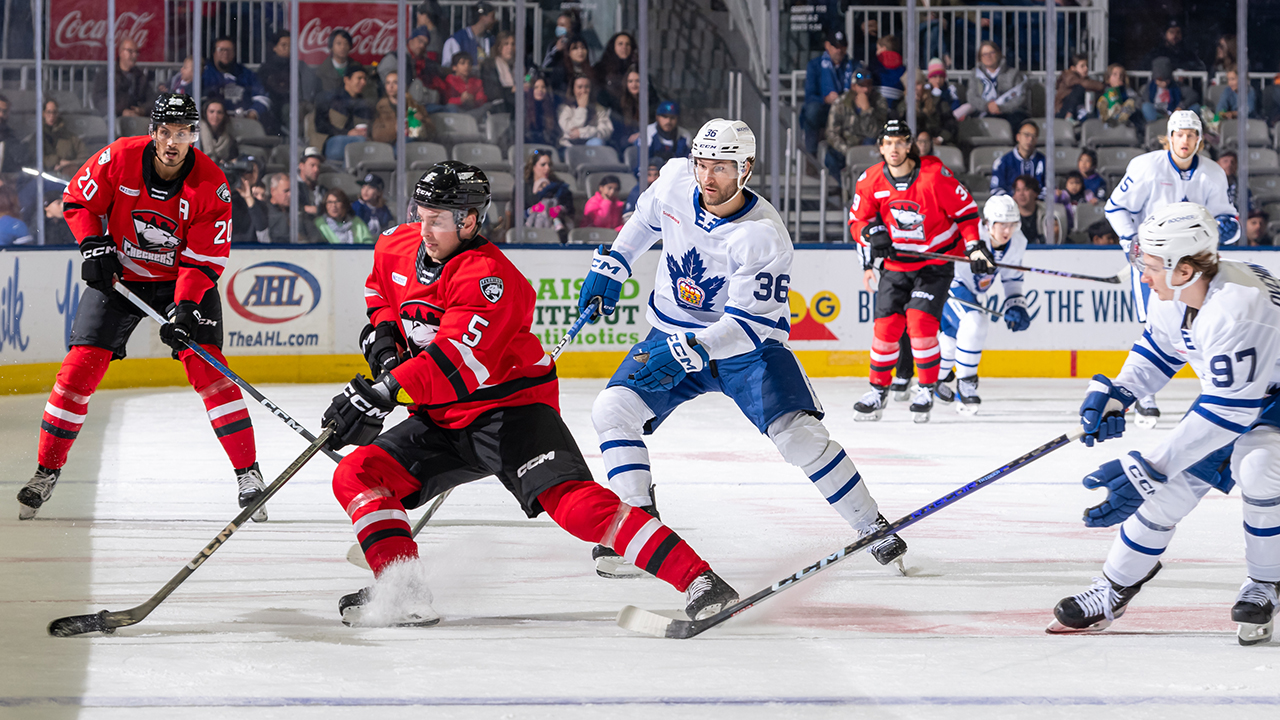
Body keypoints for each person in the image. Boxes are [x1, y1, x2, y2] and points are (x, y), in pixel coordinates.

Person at [324, 162, 738, 626]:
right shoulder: (396, 243)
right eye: (421, 213)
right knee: (358, 474)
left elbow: (454, 367)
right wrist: (384, 351)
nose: (425, 228)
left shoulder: (491, 280)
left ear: (469, 220)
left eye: (438, 219)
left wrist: (382, 392)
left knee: (579, 509)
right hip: (444, 417)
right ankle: (404, 592)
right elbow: (382, 294)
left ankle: (700, 579)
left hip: (511, 410)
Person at [576, 119, 909, 579]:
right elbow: (643, 222)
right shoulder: (674, 179)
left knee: (798, 436)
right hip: (670, 334)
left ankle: (870, 524)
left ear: (746, 168)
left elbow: (747, 325)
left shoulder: (763, 234)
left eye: (720, 167)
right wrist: (612, 265)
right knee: (611, 409)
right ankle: (638, 525)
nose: (707, 178)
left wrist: (690, 348)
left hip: (746, 349)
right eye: (702, 164)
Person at [17, 93, 265, 522]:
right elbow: (79, 201)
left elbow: (203, 260)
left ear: (194, 137)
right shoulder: (119, 157)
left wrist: (185, 308)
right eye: (165, 132)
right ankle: (46, 471)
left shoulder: (211, 185)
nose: (172, 141)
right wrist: (93, 245)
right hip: (120, 279)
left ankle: (249, 473)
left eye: (183, 133)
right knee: (78, 371)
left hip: (180, 283)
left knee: (210, 373)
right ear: (152, 132)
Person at [1049, 202, 1280, 646]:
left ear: (1187, 269)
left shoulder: (1239, 308)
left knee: (1257, 467)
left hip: (1268, 400)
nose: (1142, 272)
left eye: (1151, 264)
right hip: (1237, 395)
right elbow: (1159, 350)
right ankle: (1112, 587)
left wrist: (1149, 467)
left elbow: (1231, 411)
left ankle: (1266, 582)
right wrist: (1121, 392)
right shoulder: (1180, 294)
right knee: (1166, 489)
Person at [1104, 110, 1238, 425]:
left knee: (1200, 322)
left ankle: (1213, 385)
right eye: (1180, 134)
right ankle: (1143, 395)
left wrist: (1230, 227)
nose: (1185, 140)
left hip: (1196, 264)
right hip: (1153, 260)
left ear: (1200, 140)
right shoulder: (1146, 167)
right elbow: (1116, 206)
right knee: (1154, 322)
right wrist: (1129, 240)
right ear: (1169, 137)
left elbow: (1226, 216)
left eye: (1192, 135)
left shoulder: (1213, 173)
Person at [848, 119, 981, 423]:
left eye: (900, 142)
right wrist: (871, 233)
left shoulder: (934, 176)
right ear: (880, 147)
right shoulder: (870, 181)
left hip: (934, 264)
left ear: (910, 146)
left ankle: (925, 388)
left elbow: (967, 213)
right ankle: (877, 390)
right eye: (888, 142)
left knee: (920, 324)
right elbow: (857, 221)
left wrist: (973, 246)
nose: (894, 148)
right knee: (885, 330)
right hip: (896, 265)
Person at [933, 196, 1030, 413]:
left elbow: (1012, 278)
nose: (1007, 230)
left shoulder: (1018, 242)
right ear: (987, 223)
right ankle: (966, 384)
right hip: (950, 283)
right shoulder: (970, 234)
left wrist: (1016, 304)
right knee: (975, 322)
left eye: (1012, 224)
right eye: (1002, 224)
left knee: (951, 340)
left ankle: (931, 381)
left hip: (973, 292)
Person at [825, 70, 889, 185]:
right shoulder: (841, 103)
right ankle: (845, 190)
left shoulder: (879, 101)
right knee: (830, 158)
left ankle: (868, 187)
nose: (866, 90)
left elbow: (875, 132)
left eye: (868, 85)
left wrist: (867, 111)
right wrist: (847, 150)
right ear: (854, 87)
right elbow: (831, 133)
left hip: (869, 146)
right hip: (846, 146)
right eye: (861, 86)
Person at [202, 36, 273, 133]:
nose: (225, 53)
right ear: (214, 53)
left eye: (229, 50)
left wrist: (253, 113)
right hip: (214, 125)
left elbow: (262, 98)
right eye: (221, 50)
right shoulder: (204, 74)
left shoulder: (246, 74)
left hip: (243, 123)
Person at [802, 30, 855, 156]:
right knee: (811, 111)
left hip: (845, 110)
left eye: (842, 46)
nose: (839, 50)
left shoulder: (852, 65)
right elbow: (810, 95)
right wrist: (826, 99)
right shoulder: (815, 65)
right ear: (827, 46)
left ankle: (850, 157)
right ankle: (811, 157)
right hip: (823, 110)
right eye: (835, 46)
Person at [315, 67, 375, 162]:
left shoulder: (363, 104)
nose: (363, 82)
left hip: (356, 143)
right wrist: (347, 133)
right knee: (360, 144)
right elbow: (320, 126)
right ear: (346, 80)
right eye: (359, 78)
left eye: (365, 79)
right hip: (331, 143)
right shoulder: (331, 99)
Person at [967, 42, 1028, 131]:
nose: (988, 56)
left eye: (992, 53)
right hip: (985, 111)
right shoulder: (975, 75)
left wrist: (1001, 108)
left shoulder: (1013, 73)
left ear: (999, 54)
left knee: (1017, 120)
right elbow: (972, 97)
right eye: (984, 54)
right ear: (980, 58)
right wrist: (987, 106)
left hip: (1011, 112)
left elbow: (1020, 98)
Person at [521, 149, 574, 241]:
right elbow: (516, 213)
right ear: (533, 166)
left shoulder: (559, 186)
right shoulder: (523, 187)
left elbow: (570, 208)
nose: (547, 168)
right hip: (530, 231)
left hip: (556, 231)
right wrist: (531, 210)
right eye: (543, 165)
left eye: (549, 165)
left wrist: (560, 209)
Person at [92, 39, 153, 117]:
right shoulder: (107, 74)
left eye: (136, 52)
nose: (134, 55)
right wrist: (121, 111)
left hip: (136, 118)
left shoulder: (140, 76)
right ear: (121, 52)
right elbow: (100, 99)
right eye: (130, 51)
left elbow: (151, 98)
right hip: (113, 118)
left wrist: (142, 110)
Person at [313, 30, 376, 104]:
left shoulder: (358, 69)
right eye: (339, 43)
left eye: (346, 43)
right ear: (331, 47)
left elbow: (368, 95)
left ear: (350, 47)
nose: (343, 47)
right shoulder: (321, 72)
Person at [371, 71, 434, 145]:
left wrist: (422, 121)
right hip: (392, 147)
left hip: (415, 144)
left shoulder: (415, 105)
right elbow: (376, 135)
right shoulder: (380, 108)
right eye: (388, 83)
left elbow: (432, 132)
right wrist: (395, 129)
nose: (391, 86)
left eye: (395, 82)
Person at [991, 120, 1045, 198]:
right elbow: (996, 189)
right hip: (1010, 206)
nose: (1030, 139)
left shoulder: (1044, 161)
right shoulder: (1002, 162)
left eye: (1034, 136)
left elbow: (1049, 189)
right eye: (1027, 135)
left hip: (1038, 206)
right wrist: (1014, 201)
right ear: (1018, 137)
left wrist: (1033, 201)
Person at [264, 172, 322, 244]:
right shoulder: (264, 212)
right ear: (273, 191)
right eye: (286, 191)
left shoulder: (298, 210)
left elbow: (314, 236)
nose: (290, 195)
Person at [558, 75, 613, 148]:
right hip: (569, 146)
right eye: (579, 87)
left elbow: (606, 130)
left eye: (586, 87)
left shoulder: (598, 108)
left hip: (591, 146)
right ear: (573, 89)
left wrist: (582, 133)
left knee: (598, 142)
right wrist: (582, 108)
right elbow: (569, 130)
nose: (583, 91)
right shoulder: (564, 108)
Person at [441, 1, 497, 71]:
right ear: (482, 17)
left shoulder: (490, 40)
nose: (494, 20)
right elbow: (447, 67)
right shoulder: (456, 40)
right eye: (492, 17)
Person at [1141, 57, 1196, 124]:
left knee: (1196, 107)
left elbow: (1193, 95)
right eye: (1160, 80)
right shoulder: (1150, 87)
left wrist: (1181, 107)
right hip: (1158, 115)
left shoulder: (1177, 86)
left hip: (1175, 115)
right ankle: (1154, 127)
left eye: (1166, 80)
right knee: (1146, 107)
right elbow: (1143, 101)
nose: (1164, 83)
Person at [40, 100, 86, 177]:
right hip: (44, 179)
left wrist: (70, 164)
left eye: (54, 112)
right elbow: (35, 159)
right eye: (48, 112)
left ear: (57, 113)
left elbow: (85, 157)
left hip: (68, 178)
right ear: (43, 113)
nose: (51, 115)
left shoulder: (70, 137)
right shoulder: (38, 138)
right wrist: (57, 161)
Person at [1141, 19, 1206, 73]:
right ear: (1165, 35)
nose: (1175, 36)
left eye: (1178, 32)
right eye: (1171, 32)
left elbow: (1200, 68)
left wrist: (1186, 73)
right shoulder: (1157, 53)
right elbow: (1144, 68)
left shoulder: (1187, 53)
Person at [1056, 53, 1104, 122]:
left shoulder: (1083, 79)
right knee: (1079, 88)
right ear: (1073, 68)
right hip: (1062, 110)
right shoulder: (1069, 77)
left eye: (1087, 66)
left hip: (1079, 109)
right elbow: (1086, 84)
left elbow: (1098, 87)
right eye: (1082, 66)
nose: (1086, 68)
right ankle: (1069, 115)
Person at [593, 32, 636, 108]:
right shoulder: (601, 68)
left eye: (627, 44)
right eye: (620, 44)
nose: (624, 47)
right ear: (613, 47)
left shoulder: (637, 68)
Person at [480, 31, 516, 115]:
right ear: (499, 47)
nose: (510, 48)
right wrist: (511, 89)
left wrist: (528, 80)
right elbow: (492, 92)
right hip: (499, 106)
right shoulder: (490, 65)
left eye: (513, 44)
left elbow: (527, 78)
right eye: (506, 44)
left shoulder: (520, 65)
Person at [1097, 64, 1141, 132]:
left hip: (1124, 117)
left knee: (1130, 102)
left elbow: (1136, 104)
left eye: (1121, 75)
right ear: (1108, 79)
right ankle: (1108, 121)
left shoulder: (1128, 91)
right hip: (1110, 116)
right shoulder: (1105, 93)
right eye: (1115, 74)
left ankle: (1121, 121)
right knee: (1102, 101)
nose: (1119, 77)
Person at [926, 58, 970, 122]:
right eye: (934, 77)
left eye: (941, 77)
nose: (938, 80)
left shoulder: (950, 89)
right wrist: (936, 93)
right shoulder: (925, 90)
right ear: (929, 79)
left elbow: (954, 106)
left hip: (949, 117)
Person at [868, 35, 905, 109]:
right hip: (896, 107)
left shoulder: (874, 66)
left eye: (878, 49)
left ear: (883, 49)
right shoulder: (903, 69)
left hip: (877, 105)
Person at [524, 74, 561, 147]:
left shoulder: (551, 109)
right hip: (530, 149)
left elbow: (554, 134)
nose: (540, 90)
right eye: (536, 87)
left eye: (543, 87)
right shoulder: (525, 109)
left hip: (546, 149)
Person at [199, 98, 239, 164]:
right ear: (205, 113)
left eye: (219, 112)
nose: (215, 116)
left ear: (224, 115)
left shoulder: (229, 135)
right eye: (211, 112)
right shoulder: (196, 134)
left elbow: (234, 156)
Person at [296, 146, 328, 223]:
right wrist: (305, 209)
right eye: (312, 165)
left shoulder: (322, 190)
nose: (316, 170)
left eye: (318, 166)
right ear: (301, 166)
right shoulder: (292, 187)